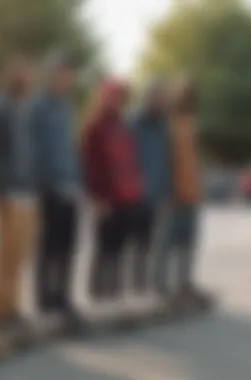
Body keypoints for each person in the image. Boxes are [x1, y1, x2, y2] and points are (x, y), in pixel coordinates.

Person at [82, 79, 145, 302]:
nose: (116, 101)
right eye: (112, 96)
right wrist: (97, 197)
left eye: (119, 97)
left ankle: (114, 291)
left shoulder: (124, 126)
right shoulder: (95, 127)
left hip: (126, 196)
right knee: (104, 248)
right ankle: (97, 292)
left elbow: (131, 161)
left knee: (120, 247)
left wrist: (136, 189)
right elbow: (90, 166)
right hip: (106, 198)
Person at [0, 56, 37, 335]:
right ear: (12, 77)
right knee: (4, 254)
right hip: (7, 192)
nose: (26, 79)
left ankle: (13, 308)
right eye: (22, 74)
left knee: (20, 254)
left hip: (27, 192)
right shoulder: (0, 107)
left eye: (29, 74)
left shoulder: (28, 108)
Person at [31, 52, 80, 321]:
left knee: (67, 245)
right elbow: (35, 149)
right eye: (60, 73)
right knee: (47, 246)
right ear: (50, 76)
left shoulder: (67, 107)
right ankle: (44, 299)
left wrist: (76, 180)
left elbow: (70, 148)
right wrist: (40, 184)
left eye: (68, 74)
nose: (65, 79)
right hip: (48, 188)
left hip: (69, 186)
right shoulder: (39, 106)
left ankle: (62, 296)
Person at [168, 78, 212, 310]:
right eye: (185, 94)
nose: (188, 98)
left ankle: (185, 283)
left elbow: (194, 161)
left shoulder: (191, 123)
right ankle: (172, 286)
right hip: (177, 193)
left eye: (191, 95)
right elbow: (169, 162)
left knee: (189, 242)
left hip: (192, 192)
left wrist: (198, 187)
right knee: (174, 242)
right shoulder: (172, 125)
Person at [129, 80, 173, 296]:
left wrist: (167, 191)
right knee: (138, 244)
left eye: (163, 99)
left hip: (159, 192)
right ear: (147, 99)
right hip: (137, 193)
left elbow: (166, 160)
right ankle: (136, 287)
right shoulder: (133, 123)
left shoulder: (163, 125)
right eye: (157, 98)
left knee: (156, 242)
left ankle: (155, 284)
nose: (161, 102)